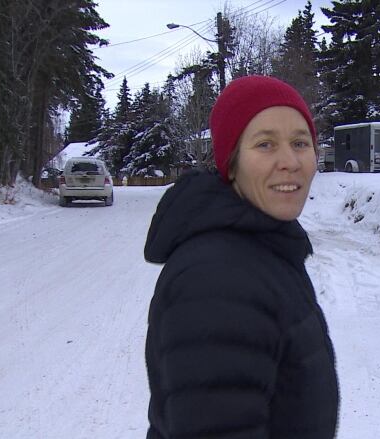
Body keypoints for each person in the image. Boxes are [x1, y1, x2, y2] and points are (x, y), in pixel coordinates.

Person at [143, 76, 339, 439]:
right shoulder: (216, 279)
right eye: (265, 144)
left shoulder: (263, 249)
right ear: (231, 164)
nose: (290, 161)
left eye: (300, 142)